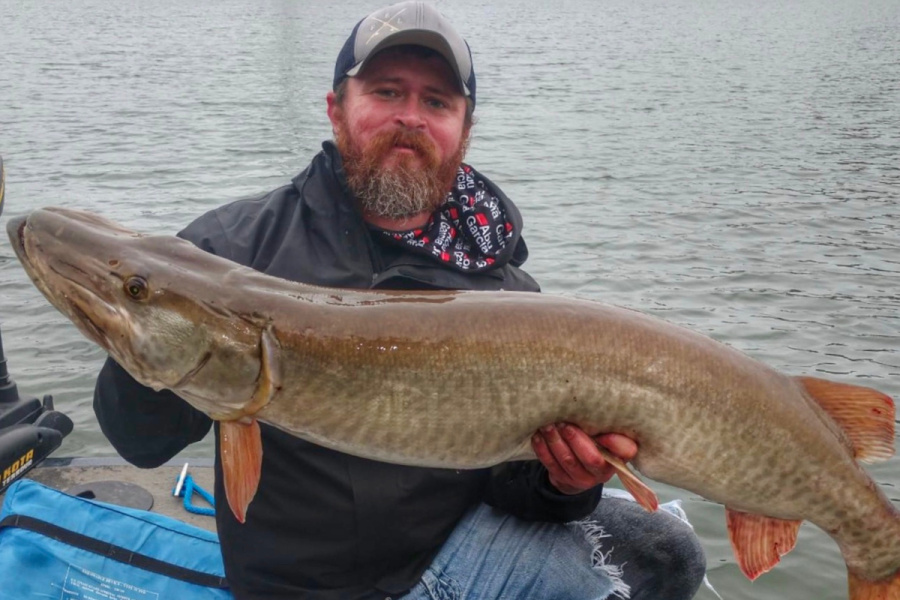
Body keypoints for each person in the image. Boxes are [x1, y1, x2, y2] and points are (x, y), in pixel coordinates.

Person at [94, 2, 707, 599]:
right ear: (337, 109)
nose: (411, 117)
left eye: (436, 101)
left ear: (464, 131)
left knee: (669, 548)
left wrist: (565, 481)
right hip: (312, 587)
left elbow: (511, 488)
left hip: (451, 552)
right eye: (387, 92)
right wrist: (144, 333)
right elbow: (140, 444)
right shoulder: (230, 251)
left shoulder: (500, 287)